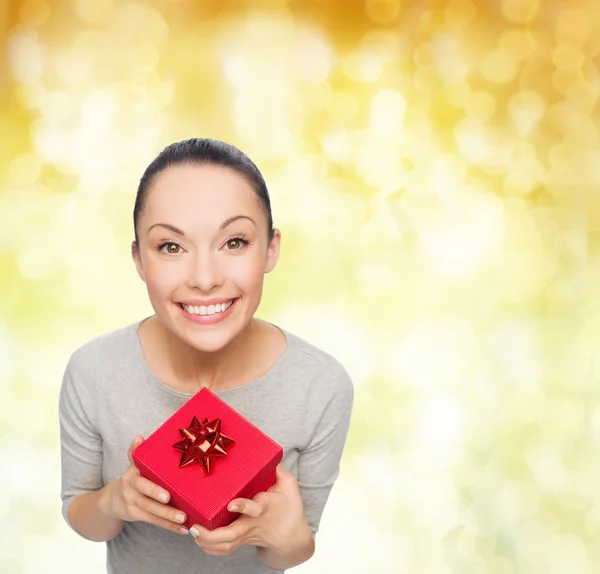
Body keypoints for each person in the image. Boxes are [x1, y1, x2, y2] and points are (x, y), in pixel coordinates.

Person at [59, 138, 354, 574]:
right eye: (171, 247)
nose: (204, 279)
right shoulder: (94, 371)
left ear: (270, 249)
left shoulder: (320, 386)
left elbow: (291, 551)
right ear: (139, 258)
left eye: (234, 241)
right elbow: (83, 517)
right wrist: (116, 500)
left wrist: (285, 535)